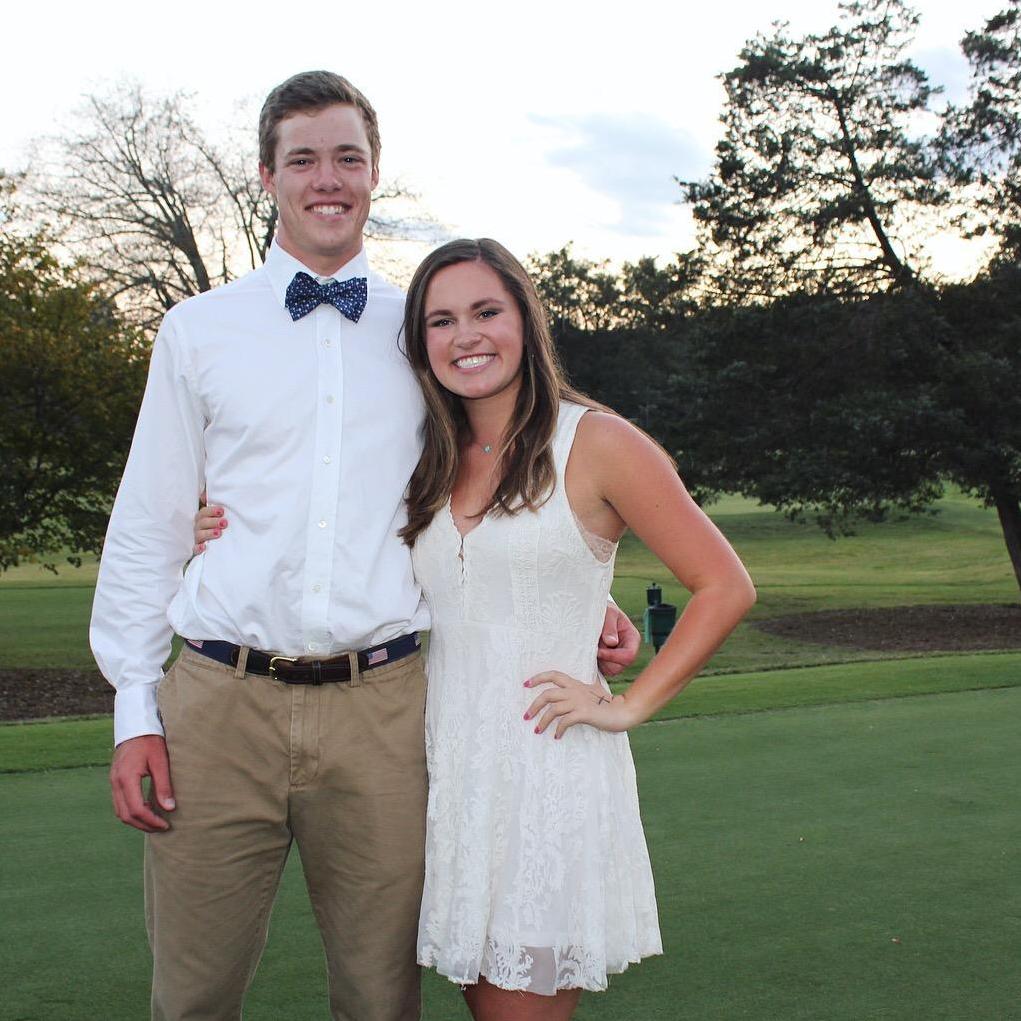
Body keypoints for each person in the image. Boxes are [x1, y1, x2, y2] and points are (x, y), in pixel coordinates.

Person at [89, 72, 639, 1021]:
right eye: (303, 159)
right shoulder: (196, 332)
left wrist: (575, 592)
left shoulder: (429, 331)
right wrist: (134, 709)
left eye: (347, 156)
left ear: (374, 172)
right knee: (193, 997)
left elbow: (488, 477)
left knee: (382, 1002)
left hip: (384, 710)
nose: (326, 177)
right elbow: (146, 526)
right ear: (267, 175)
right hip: (217, 705)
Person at [195, 238, 757, 1020]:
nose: (466, 335)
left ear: (524, 320)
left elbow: (724, 584)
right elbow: (348, 538)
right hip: (446, 771)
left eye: (486, 311)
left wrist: (625, 705)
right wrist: (211, 526)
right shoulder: (429, 453)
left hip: (543, 773)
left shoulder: (596, 441)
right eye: (441, 319)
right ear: (420, 343)